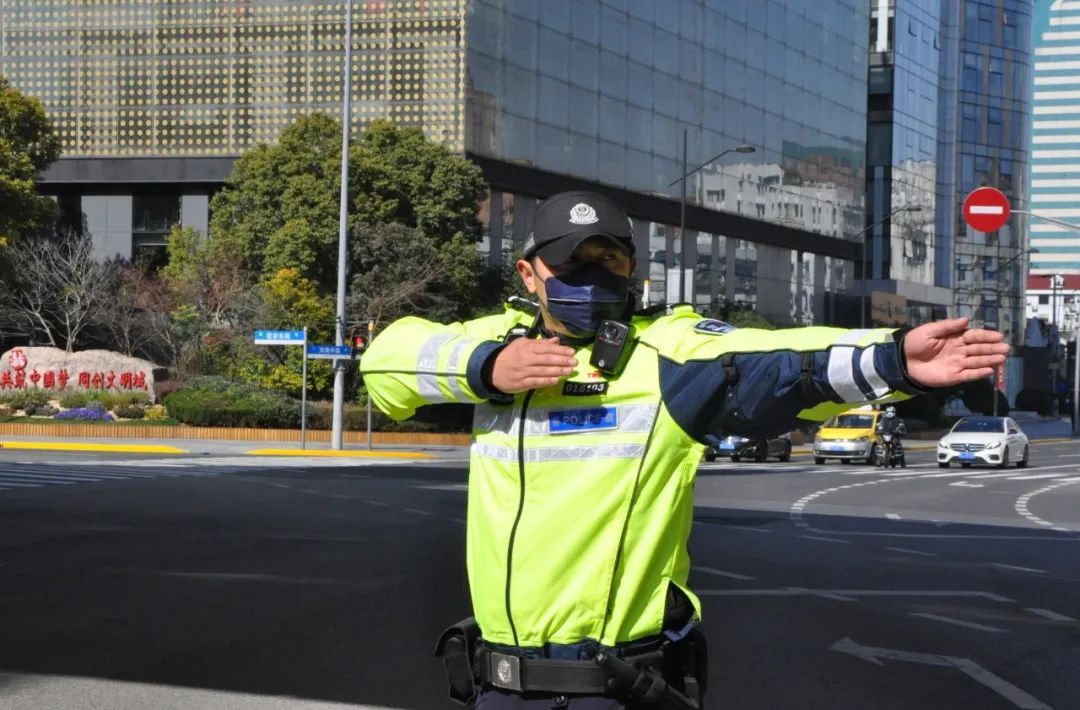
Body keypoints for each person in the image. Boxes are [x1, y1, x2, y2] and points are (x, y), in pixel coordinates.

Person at [359, 190, 1009, 709]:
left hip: (622, 688)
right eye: (571, 262)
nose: (589, 275)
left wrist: (892, 358)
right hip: (499, 688)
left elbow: (776, 362)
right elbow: (386, 363)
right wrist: (486, 365)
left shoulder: (666, 354)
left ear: (632, 269)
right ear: (530, 274)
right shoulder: (497, 342)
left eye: (607, 259)